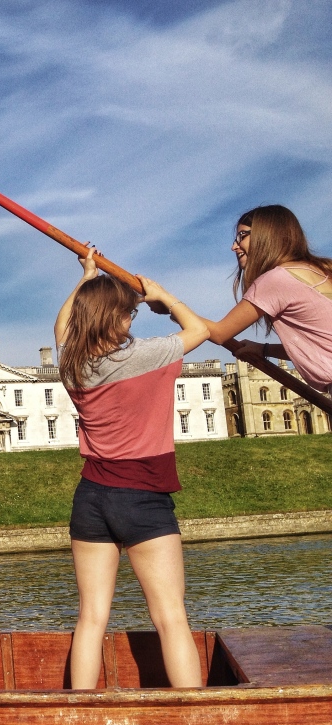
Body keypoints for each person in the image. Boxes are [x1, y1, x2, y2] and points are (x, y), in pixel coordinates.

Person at [54, 253, 209, 690]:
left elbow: (62, 327)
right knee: (171, 618)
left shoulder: (74, 365)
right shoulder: (149, 355)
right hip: (142, 495)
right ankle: (194, 722)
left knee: (91, 618)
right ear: (115, 318)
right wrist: (164, 296)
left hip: (91, 497)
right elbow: (201, 330)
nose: (132, 319)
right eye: (129, 312)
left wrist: (86, 278)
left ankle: (80, 714)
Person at [204, 205, 332, 393]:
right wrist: (264, 349)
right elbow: (321, 347)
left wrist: (168, 303)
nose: (234, 246)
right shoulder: (322, 269)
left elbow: (218, 333)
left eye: (242, 236)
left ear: (267, 234)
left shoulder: (277, 279)